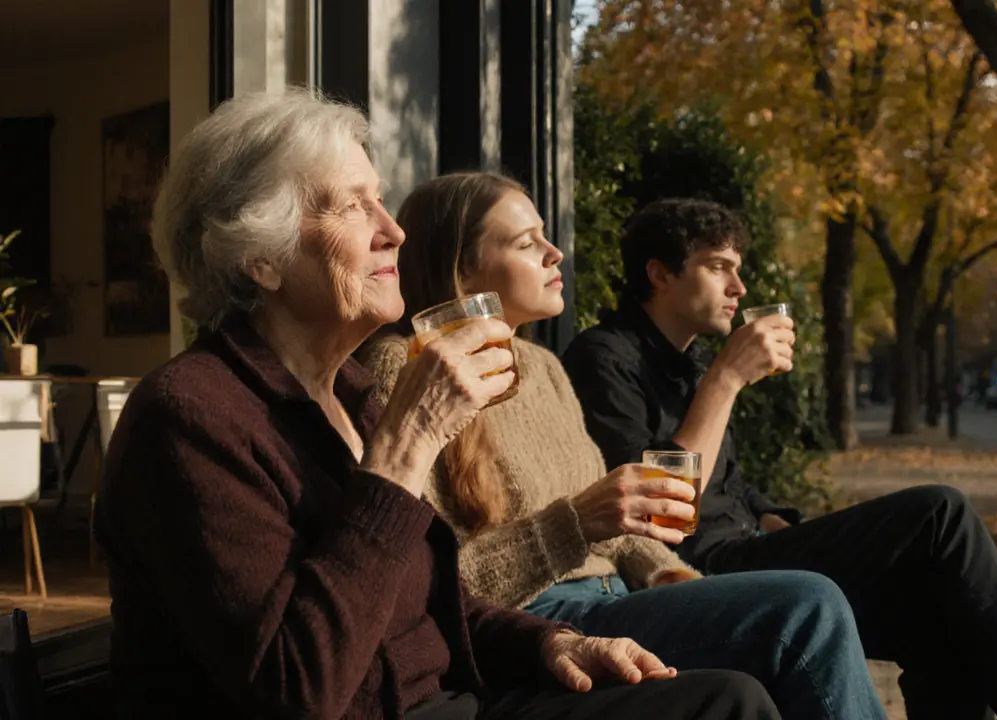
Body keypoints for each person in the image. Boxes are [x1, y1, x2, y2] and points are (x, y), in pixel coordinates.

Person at [93, 91, 780, 720]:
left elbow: (435, 602)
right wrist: (405, 447)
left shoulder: (348, 397)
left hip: (460, 700)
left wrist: (551, 644)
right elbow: (296, 687)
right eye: (351, 205)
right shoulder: (189, 418)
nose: (392, 231)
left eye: (381, 200)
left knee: (728, 699)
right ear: (260, 258)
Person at [357, 172, 886, 720]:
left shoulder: (544, 369)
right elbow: (433, 587)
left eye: (545, 234)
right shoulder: (406, 369)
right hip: (536, 625)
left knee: (807, 609)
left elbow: (613, 525)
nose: (554, 251)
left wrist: (671, 576)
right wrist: (575, 525)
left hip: (618, 599)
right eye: (525, 242)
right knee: (809, 606)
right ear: (462, 269)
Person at [562, 198, 997, 720]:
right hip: (691, 571)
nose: (738, 289)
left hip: (749, 548)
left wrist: (778, 518)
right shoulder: (603, 358)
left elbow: (731, 485)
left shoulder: (692, 363)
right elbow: (656, 510)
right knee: (940, 514)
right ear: (659, 273)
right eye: (719, 267)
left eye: (738, 270)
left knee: (939, 613)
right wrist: (728, 379)